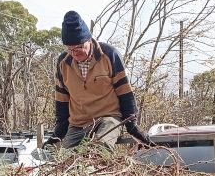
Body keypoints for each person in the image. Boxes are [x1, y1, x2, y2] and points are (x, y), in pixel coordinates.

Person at [44, 10, 153, 151]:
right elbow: (62, 102)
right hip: (78, 124)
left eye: (78, 48)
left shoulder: (109, 55)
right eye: (69, 49)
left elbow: (125, 93)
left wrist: (132, 127)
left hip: (108, 118)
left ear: (88, 40)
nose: (74, 54)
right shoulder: (63, 62)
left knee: (99, 150)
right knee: (66, 160)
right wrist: (57, 134)